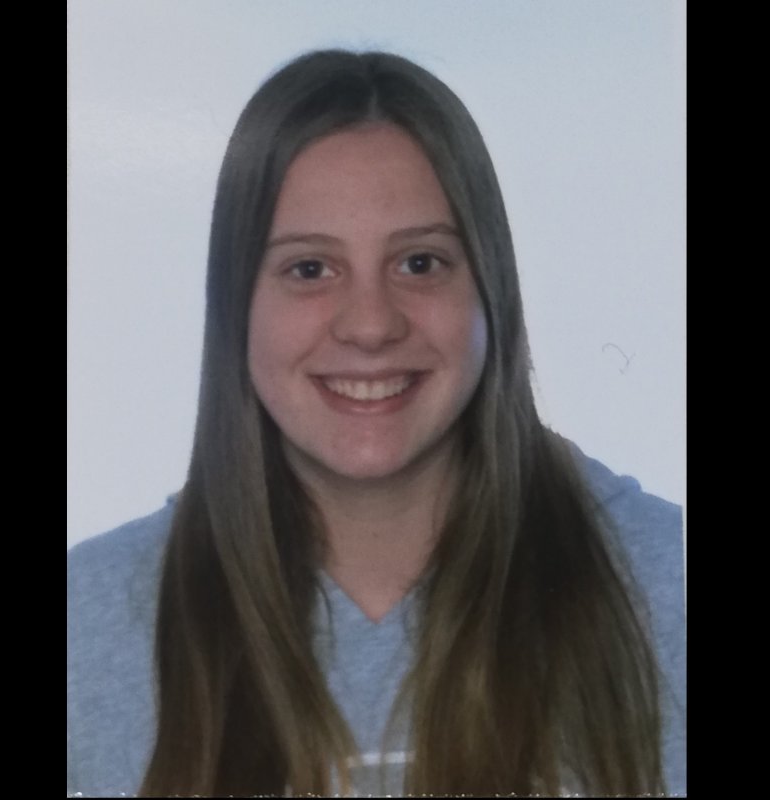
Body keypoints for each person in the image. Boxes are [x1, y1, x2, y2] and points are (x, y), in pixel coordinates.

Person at [67, 49, 685, 798]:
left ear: (490, 292)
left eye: (420, 263)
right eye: (309, 269)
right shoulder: (87, 626)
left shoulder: (667, 584)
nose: (369, 324)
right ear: (237, 306)